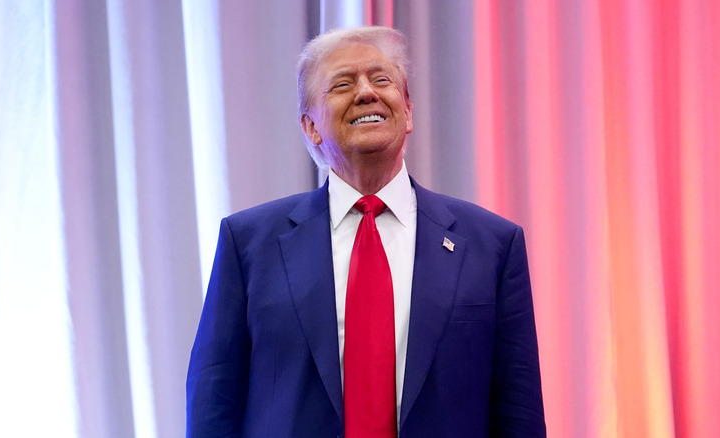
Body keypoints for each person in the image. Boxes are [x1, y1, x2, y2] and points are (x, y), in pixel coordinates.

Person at [186, 26, 545, 437]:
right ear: (311, 128)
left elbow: (519, 412)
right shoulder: (248, 244)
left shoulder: (493, 245)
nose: (366, 92)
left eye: (381, 79)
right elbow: (213, 400)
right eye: (342, 84)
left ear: (407, 111)